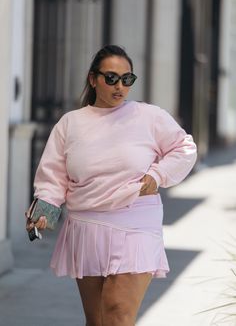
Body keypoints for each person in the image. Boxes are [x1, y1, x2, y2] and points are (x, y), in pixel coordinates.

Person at [26, 45, 197, 326]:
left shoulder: (149, 117)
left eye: (127, 79)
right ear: (93, 79)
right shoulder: (71, 124)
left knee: (118, 314)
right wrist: (45, 208)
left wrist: (158, 175)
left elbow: (184, 147)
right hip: (86, 226)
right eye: (111, 78)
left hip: (136, 221)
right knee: (96, 320)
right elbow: (53, 175)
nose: (120, 86)